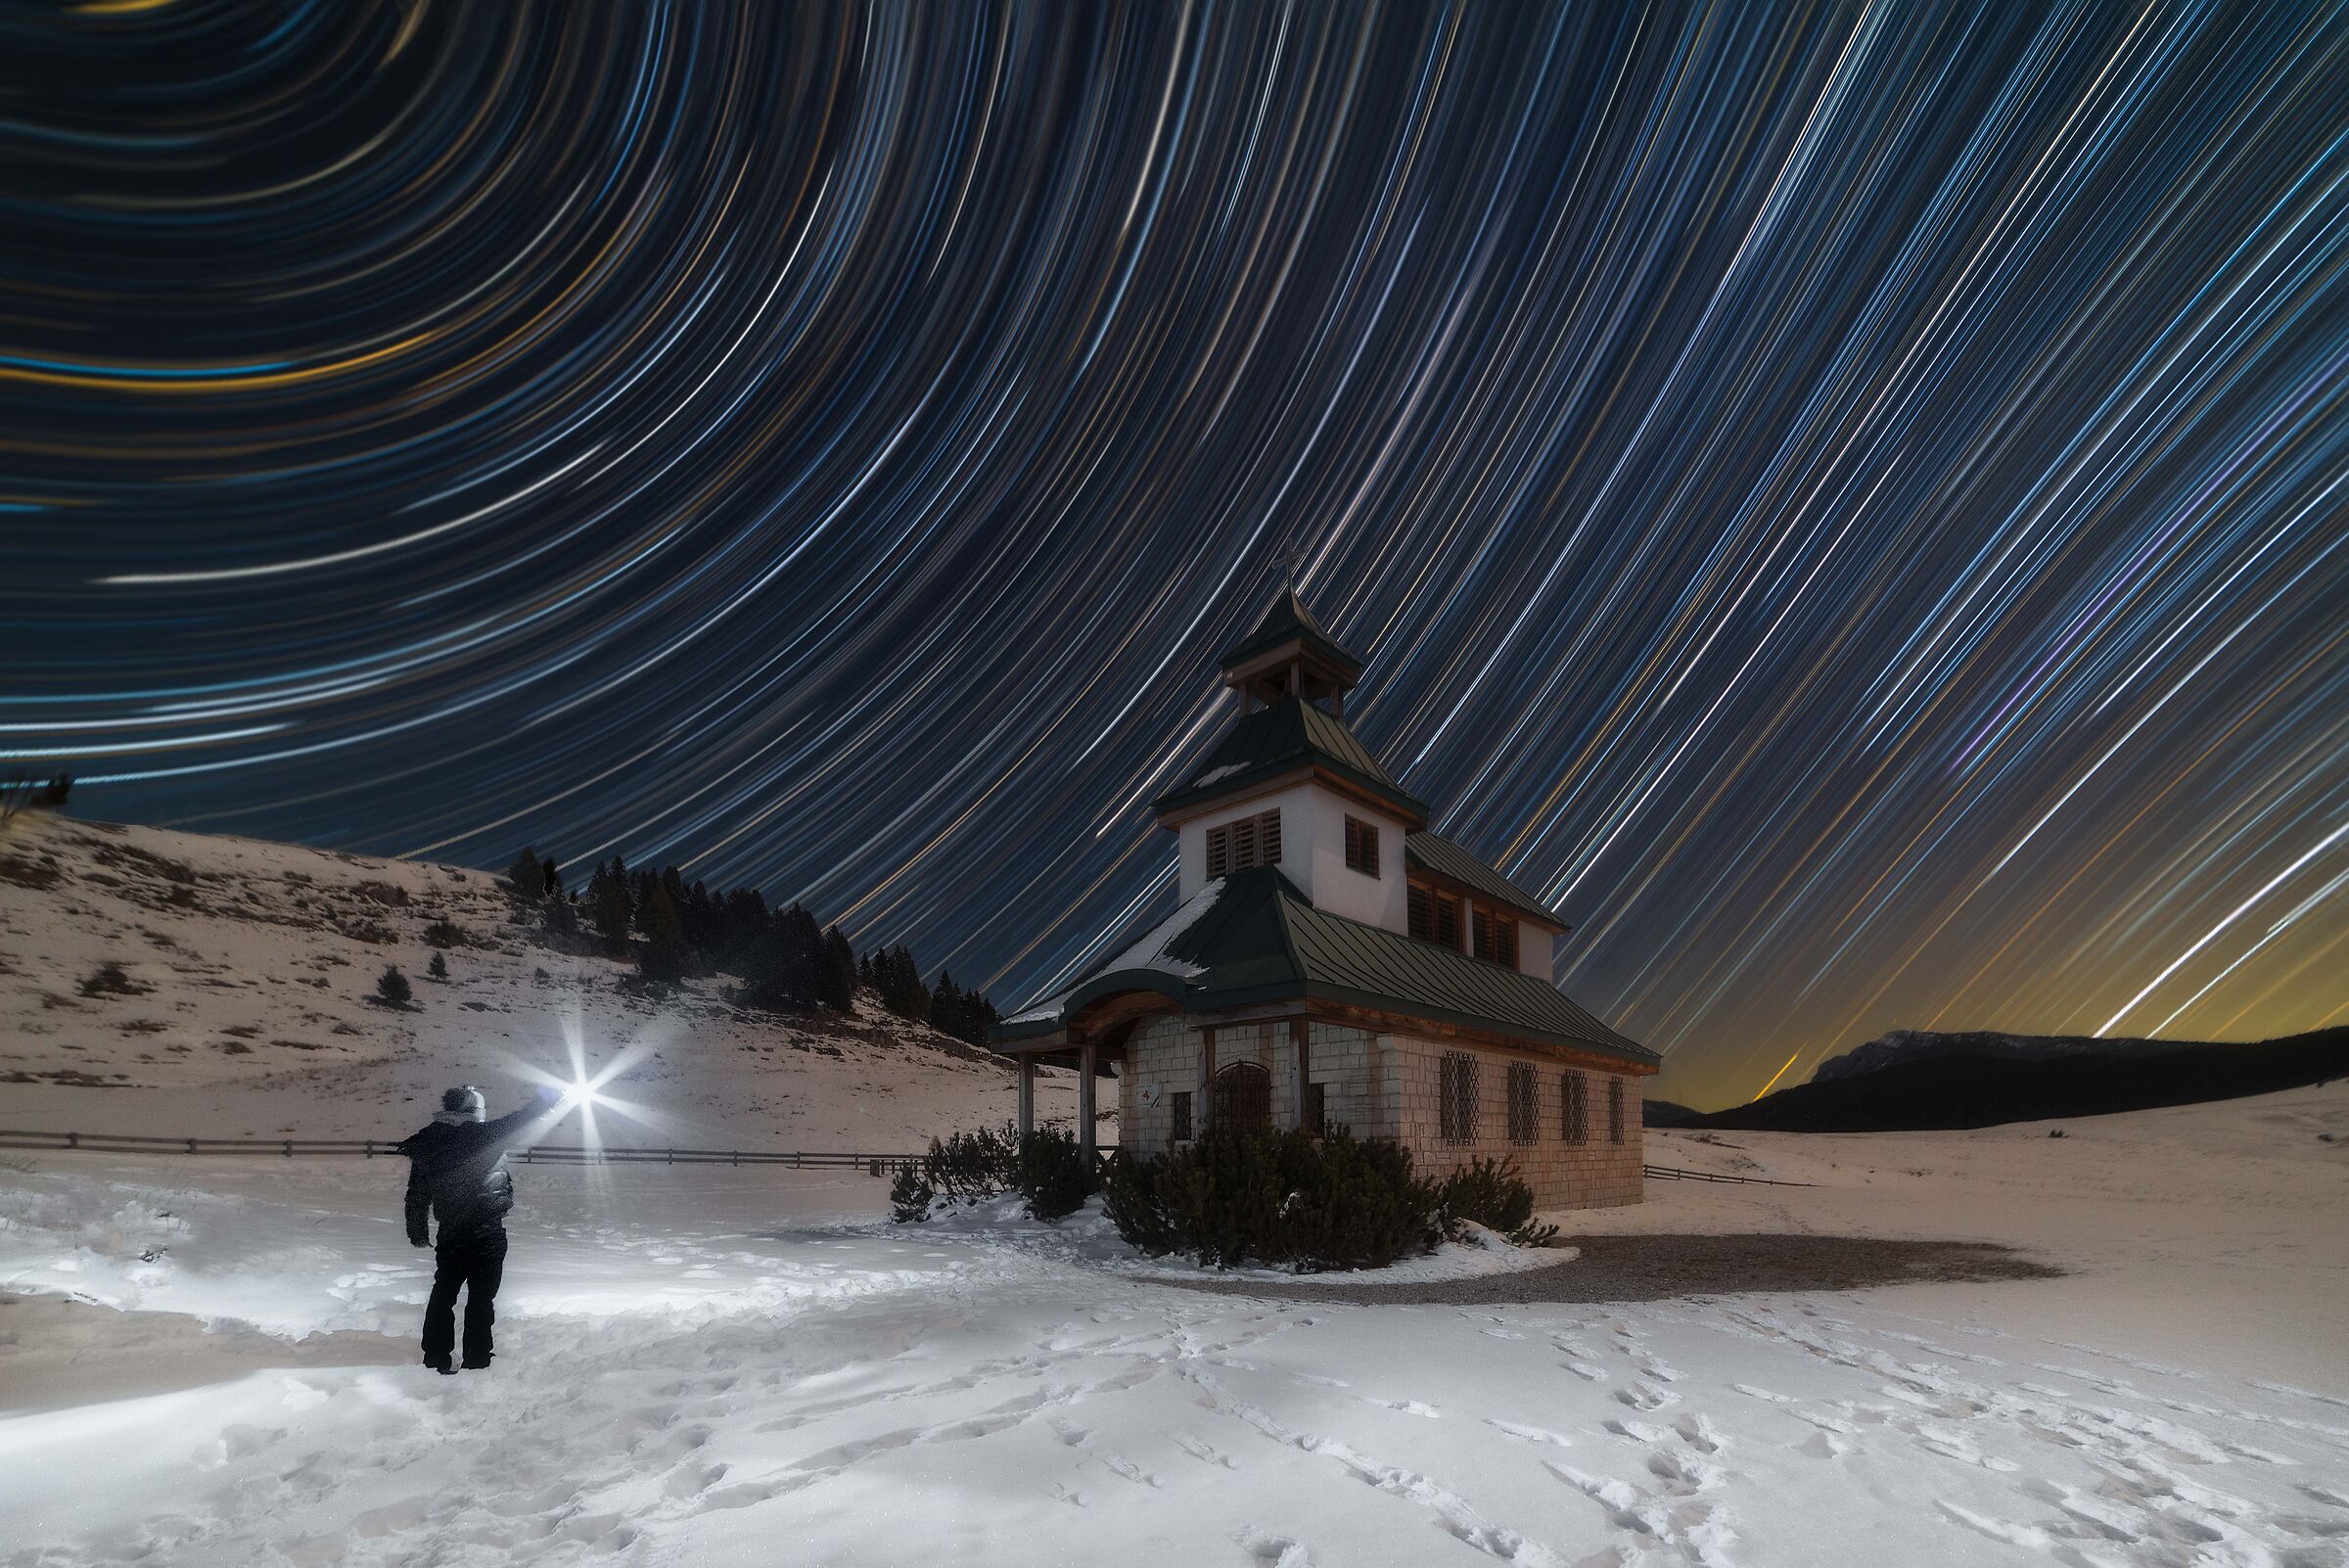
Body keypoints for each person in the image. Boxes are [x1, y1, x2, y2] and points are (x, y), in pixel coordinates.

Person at [399, 1084, 558, 1374]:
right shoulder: (484, 1136)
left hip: (451, 1232)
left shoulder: (430, 1142)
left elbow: (417, 1192)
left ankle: (436, 1357)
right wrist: (548, 1098)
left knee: (443, 1294)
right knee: (481, 1298)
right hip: (487, 1231)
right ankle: (477, 1359)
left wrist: (417, 1228)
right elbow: (521, 1119)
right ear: (475, 1111)